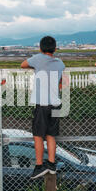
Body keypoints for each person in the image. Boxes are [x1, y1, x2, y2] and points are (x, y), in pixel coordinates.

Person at [21, 36, 65, 179]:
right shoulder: (60, 63)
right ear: (55, 49)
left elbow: (23, 64)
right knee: (51, 135)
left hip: (42, 105)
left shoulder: (38, 58)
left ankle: (39, 166)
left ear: (40, 48)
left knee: (38, 135)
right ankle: (52, 164)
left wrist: (36, 62)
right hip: (56, 104)